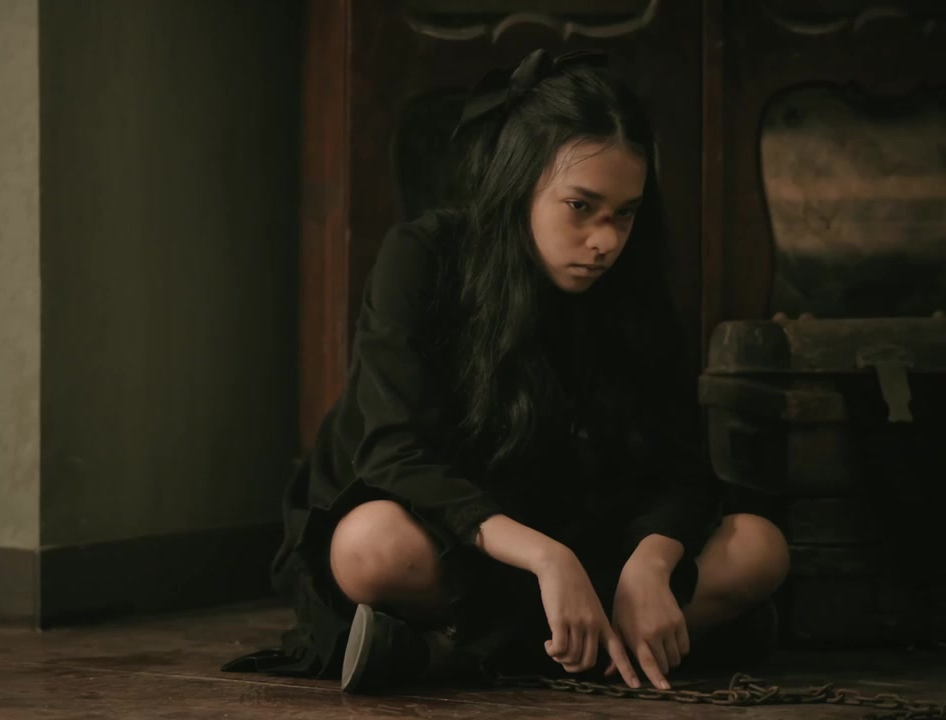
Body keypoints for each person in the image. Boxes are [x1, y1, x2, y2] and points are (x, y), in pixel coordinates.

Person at [223, 48, 791, 695]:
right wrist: (547, 558)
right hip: (466, 536)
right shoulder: (423, 258)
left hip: (593, 536)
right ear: (521, 184)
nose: (606, 240)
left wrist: (650, 564)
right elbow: (393, 451)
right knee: (370, 548)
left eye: (624, 212)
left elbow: (680, 466)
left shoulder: (632, 285)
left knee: (760, 547)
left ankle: (452, 653)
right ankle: (633, 640)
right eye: (580, 206)